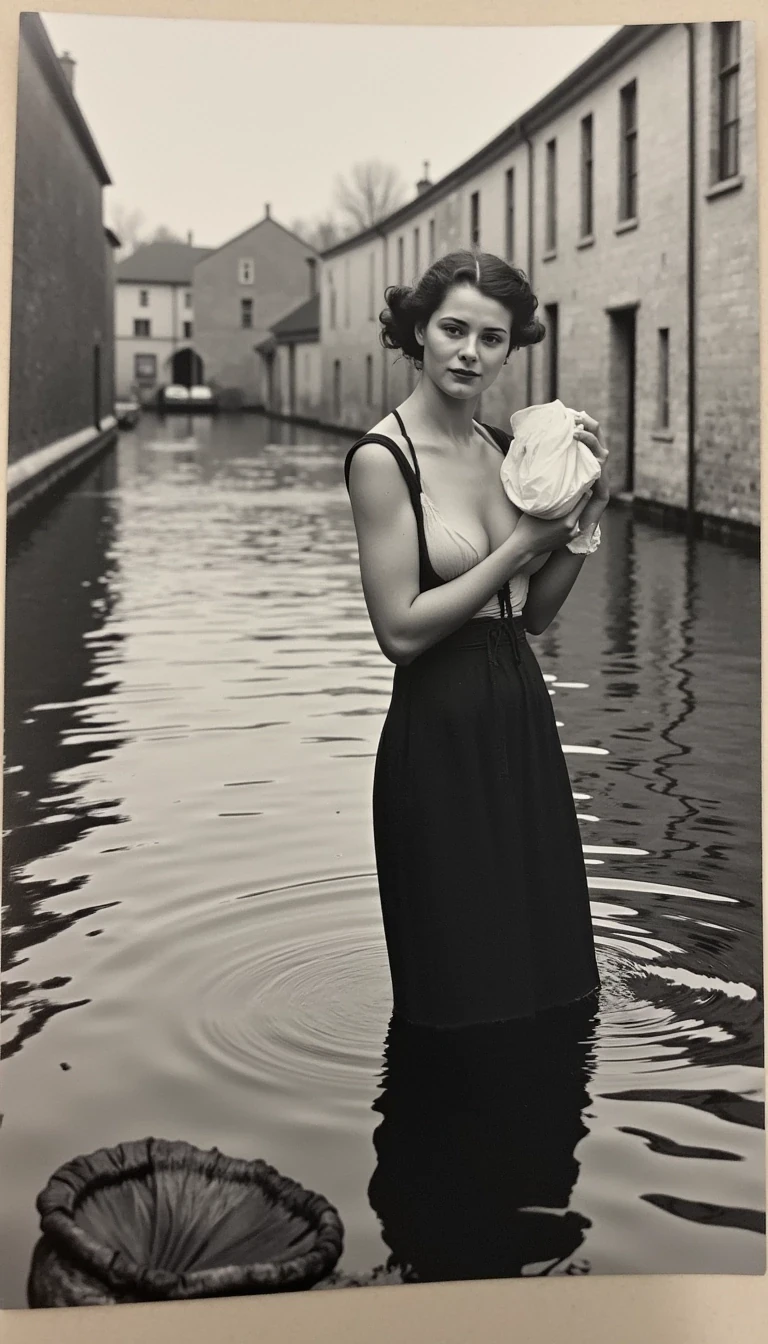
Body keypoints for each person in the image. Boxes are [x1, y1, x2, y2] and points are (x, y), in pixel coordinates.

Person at [343, 250, 609, 1030]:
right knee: (461, 984)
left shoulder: (506, 452)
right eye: (453, 329)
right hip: (440, 727)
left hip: (520, 714)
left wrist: (589, 507)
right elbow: (398, 632)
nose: (470, 352)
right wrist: (522, 545)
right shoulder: (381, 461)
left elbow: (529, 616)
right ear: (418, 332)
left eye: (491, 339)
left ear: (509, 348)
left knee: (546, 967)